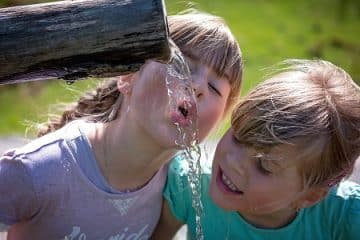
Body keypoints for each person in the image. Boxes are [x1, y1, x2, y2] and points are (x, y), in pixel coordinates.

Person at [0, 12, 243, 239]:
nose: (197, 87)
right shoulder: (41, 168)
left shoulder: (177, 187)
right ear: (128, 77)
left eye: (214, 87)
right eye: (182, 66)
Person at [154, 59, 360, 239]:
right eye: (238, 137)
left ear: (310, 196)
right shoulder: (190, 186)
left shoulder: (345, 216)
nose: (235, 161)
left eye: (264, 165)